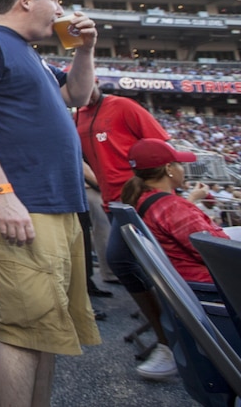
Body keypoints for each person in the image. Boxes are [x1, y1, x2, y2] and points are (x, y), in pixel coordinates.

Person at [0, 0, 101, 407]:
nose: (60, 8)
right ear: (25, 1)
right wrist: (1, 193)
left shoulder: (30, 54)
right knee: (23, 330)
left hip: (54, 205)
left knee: (46, 332)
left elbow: (77, 94)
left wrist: (85, 50)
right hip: (23, 202)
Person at [74, 81, 177, 380]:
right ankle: (169, 338)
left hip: (144, 200)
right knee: (126, 264)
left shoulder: (124, 106)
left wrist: (157, 191)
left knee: (160, 269)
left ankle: (171, 343)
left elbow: (163, 146)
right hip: (113, 203)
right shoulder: (77, 117)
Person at [120, 139, 241, 283]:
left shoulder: (143, 198)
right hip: (210, 282)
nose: (183, 169)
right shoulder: (172, 206)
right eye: (180, 164)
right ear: (168, 168)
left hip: (184, 279)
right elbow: (217, 251)